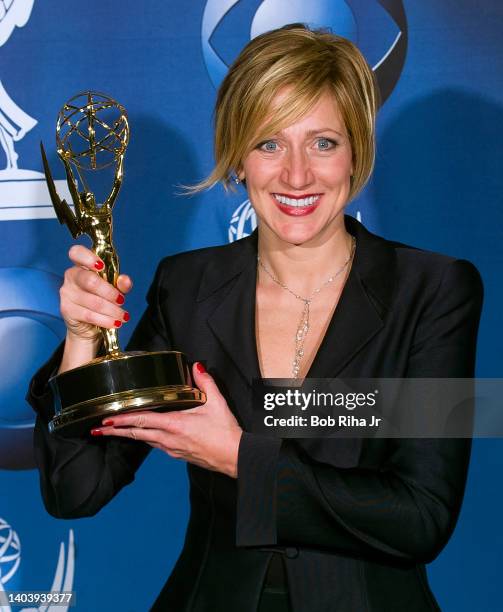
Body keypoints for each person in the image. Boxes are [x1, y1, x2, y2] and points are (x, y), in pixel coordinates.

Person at [28, 24, 483, 612]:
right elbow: (77, 491)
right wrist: (81, 342)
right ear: (237, 156)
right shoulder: (187, 286)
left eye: (323, 142)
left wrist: (238, 456)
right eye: (269, 143)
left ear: (357, 153)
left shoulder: (434, 290)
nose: (296, 175)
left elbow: (424, 516)